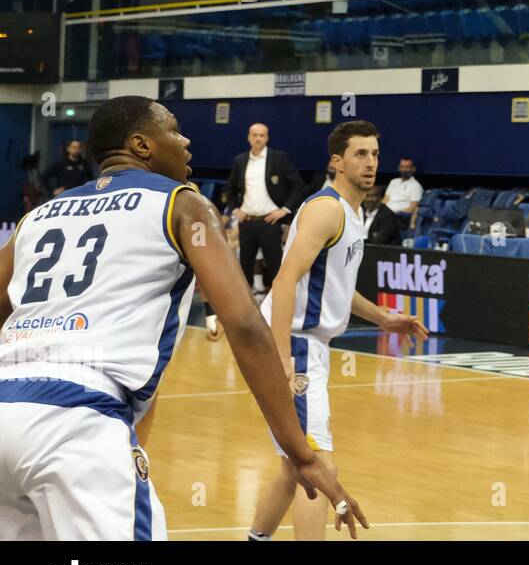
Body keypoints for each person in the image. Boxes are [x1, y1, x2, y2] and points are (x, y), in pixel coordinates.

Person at [0, 96, 365, 540]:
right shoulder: (182, 203)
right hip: (77, 422)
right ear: (141, 144)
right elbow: (247, 324)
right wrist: (301, 453)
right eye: (173, 130)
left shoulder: (35, 217)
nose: (186, 141)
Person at [249, 121, 427, 541]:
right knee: (318, 467)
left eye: (375, 154)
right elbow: (284, 281)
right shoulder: (326, 209)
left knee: (293, 466)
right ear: (337, 161)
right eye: (360, 154)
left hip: (308, 343)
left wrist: (384, 318)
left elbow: (333, 285)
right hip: (297, 343)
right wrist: (283, 359)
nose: (370, 163)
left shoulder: (353, 211)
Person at [227, 123, 305, 296]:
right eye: (254, 135)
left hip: (270, 222)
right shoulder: (240, 160)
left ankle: (279, 304)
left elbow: (299, 186)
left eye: (262, 135)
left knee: (275, 266)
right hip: (246, 222)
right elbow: (230, 188)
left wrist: (284, 210)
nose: (258, 138)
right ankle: (246, 308)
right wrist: (235, 210)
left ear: (267, 138)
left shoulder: (278, 158)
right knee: (245, 266)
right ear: (248, 137)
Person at [382, 157, 423, 227]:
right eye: (402, 167)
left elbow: (413, 208)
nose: (404, 170)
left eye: (407, 167)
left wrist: (393, 213)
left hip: (399, 218)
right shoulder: (393, 181)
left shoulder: (416, 186)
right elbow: (385, 200)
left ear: (413, 169)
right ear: (399, 168)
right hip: (384, 214)